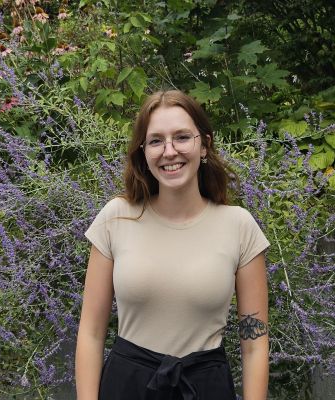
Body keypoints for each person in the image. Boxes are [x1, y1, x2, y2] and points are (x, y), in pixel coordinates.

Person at [75, 90, 270, 400]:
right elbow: (91, 333)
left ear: (204, 145)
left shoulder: (239, 226)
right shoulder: (116, 218)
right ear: (143, 152)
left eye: (181, 137)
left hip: (206, 389)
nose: (169, 151)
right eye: (155, 141)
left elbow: (255, 345)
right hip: (127, 388)